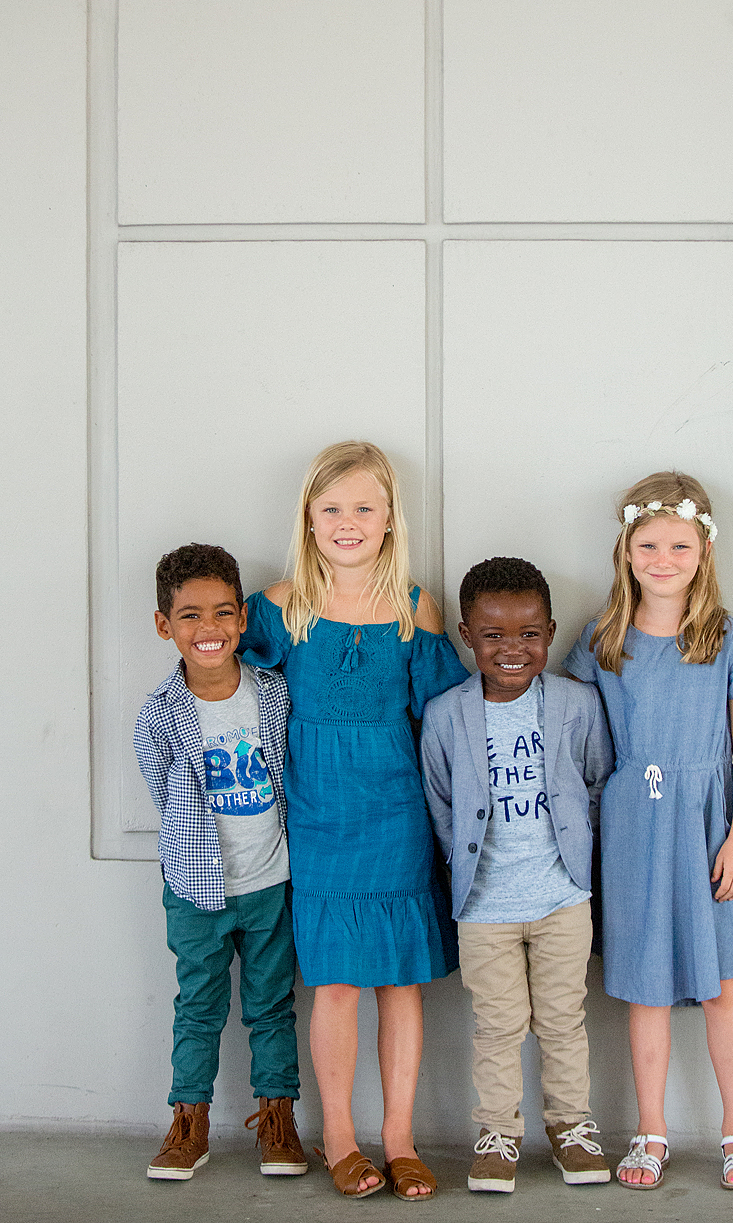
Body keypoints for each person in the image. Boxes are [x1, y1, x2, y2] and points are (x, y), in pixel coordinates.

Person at [238, 441, 467, 1200]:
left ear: (390, 517)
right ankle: (339, 1134)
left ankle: (399, 1138)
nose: (348, 521)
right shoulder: (279, 606)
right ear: (308, 517)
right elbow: (228, 685)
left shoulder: (413, 606)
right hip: (317, 815)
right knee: (335, 981)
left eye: (364, 507)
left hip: (397, 812)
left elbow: (445, 715)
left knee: (400, 981)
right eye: (332, 507)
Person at [564, 473, 733, 1192]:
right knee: (646, 986)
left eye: (679, 545)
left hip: (711, 824)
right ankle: (650, 1130)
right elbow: (578, 733)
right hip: (634, 826)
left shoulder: (729, 636)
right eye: (649, 545)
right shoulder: (604, 637)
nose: (663, 559)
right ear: (626, 550)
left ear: (704, 550)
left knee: (721, 983)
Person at [421, 557, 614, 1194]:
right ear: (466, 635)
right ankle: (498, 1132)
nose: (513, 649)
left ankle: (571, 1126)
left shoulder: (576, 703)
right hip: (485, 907)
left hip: (563, 899)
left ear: (551, 632)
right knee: (498, 1026)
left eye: (530, 634)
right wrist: (463, 870)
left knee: (563, 1020)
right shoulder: (446, 714)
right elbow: (441, 802)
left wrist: (579, 866)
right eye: (494, 635)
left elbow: (595, 784)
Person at [134, 543, 306, 1182]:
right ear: (164, 625)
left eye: (223, 612)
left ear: (243, 619)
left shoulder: (272, 693)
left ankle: (278, 1119)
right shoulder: (160, 715)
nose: (209, 628)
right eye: (190, 616)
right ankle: (189, 1122)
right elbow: (165, 796)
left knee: (272, 1005)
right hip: (195, 889)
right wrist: (194, 862)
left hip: (270, 883)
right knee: (199, 1007)